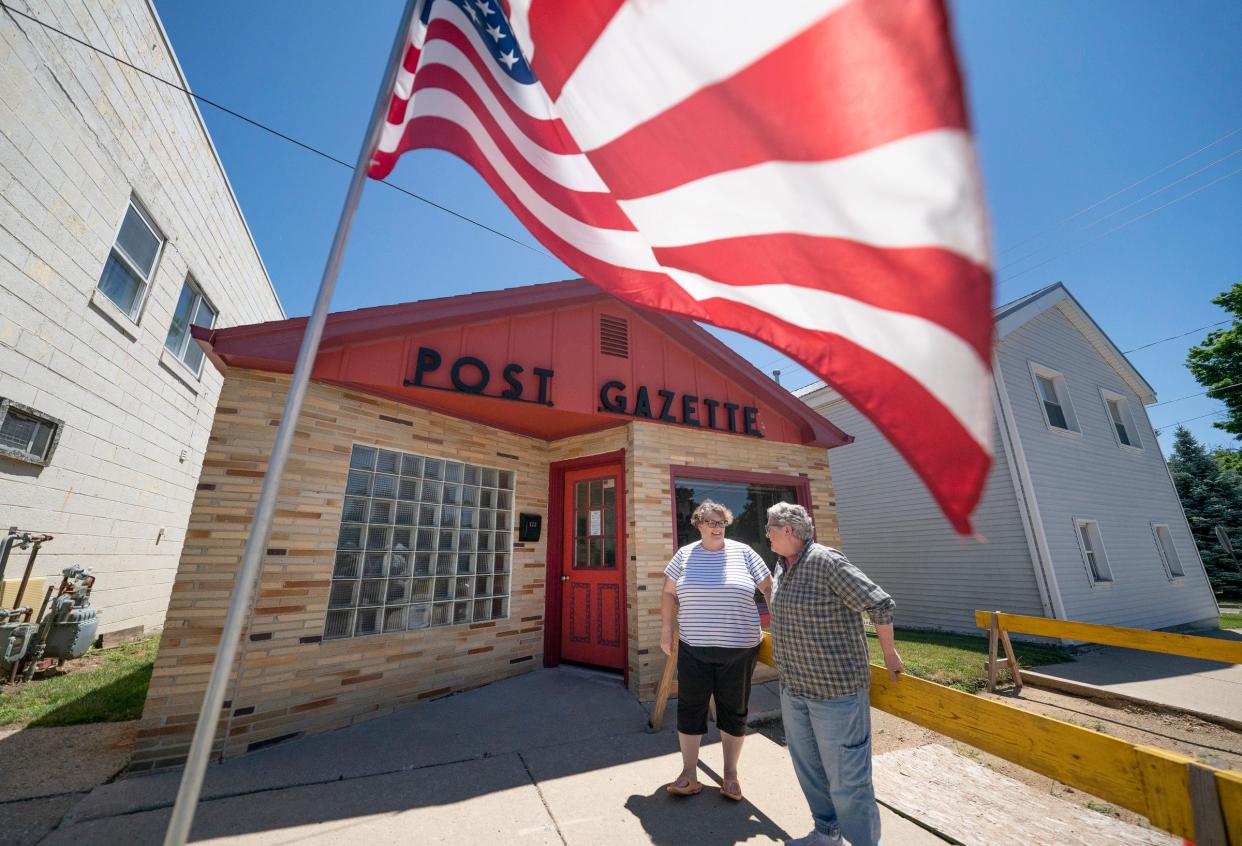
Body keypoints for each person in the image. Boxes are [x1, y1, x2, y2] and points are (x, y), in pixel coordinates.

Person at [765, 502, 902, 846]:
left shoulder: (826, 562)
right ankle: (826, 835)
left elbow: (879, 602)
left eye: (769, 528)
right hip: (795, 688)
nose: (765, 533)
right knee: (809, 769)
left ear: (787, 530)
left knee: (847, 780)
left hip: (837, 693)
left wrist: (888, 653)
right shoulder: (782, 566)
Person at [660, 500, 772, 801]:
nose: (717, 526)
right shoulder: (684, 555)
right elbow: (668, 593)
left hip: (739, 650)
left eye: (721, 521)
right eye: (710, 521)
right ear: (698, 524)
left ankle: (731, 775)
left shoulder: (744, 553)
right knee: (689, 708)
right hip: (694, 647)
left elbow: (769, 588)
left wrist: (780, 624)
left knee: (733, 711)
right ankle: (688, 774)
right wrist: (666, 630)